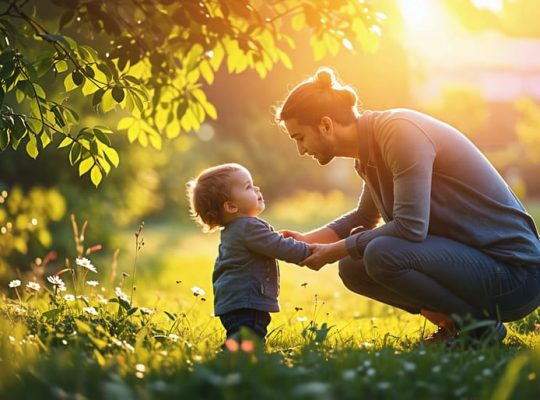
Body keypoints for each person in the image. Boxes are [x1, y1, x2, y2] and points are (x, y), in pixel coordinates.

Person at [274, 67, 540, 345]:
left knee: (380, 253)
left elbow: (410, 227)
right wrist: (307, 241)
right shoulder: (370, 153)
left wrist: (331, 252)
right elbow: (365, 217)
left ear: (326, 125)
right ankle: (455, 322)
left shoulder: (400, 134)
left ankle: (480, 329)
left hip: (515, 274)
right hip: (476, 265)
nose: (301, 150)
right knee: (352, 267)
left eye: (300, 138)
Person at [187, 163, 310, 344]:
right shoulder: (247, 227)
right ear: (231, 206)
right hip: (246, 302)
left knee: (247, 337)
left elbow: (270, 243)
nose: (257, 188)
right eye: (248, 187)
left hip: (235, 301)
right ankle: (235, 363)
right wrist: (309, 250)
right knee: (248, 340)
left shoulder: (236, 229)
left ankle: (237, 360)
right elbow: (281, 248)